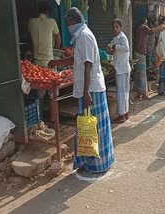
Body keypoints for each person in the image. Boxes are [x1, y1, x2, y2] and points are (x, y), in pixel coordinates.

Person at [49, 8, 114, 173]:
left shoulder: (84, 37)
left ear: (71, 22)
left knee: (93, 128)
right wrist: (57, 63)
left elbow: (88, 65)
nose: (67, 27)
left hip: (91, 89)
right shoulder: (81, 36)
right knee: (88, 127)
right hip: (90, 87)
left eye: (67, 24)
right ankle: (88, 161)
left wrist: (86, 93)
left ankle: (96, 164)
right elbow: (78, 58)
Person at [107, 19, 131, 123]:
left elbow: (126, 48)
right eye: (114, 27)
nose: (115, 29)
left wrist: (115, 47)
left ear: (121, 27)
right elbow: (110, 47)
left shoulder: (123, 38)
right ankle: (125, 113)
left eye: (117, 27)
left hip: (123, 69)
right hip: (119, 68)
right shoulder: (115, 38)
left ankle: (122, 115)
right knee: (123, 92)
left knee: (122, 93)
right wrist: (109, 48)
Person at [134, 19, 162, 100]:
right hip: (140, 53)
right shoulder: (143, 27)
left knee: (138, 73)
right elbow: (151, 31)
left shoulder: (139, 28)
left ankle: (138, 92)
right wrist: (160, 26)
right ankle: (144, 93)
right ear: (145, 22)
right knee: (142, 74)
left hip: (138, 52)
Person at [28, 1, 61, 67]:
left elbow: (30, 39)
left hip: (35, 59)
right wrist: (54, 53)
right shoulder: (52, 22)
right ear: (48, 12)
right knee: (50, 76)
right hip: (49, 60)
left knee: (37, 75)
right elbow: (58, 41)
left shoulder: (31, 22)